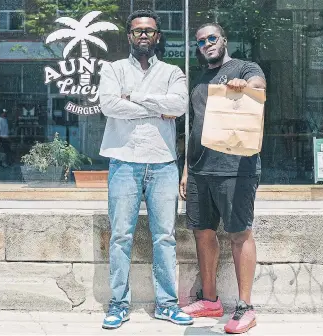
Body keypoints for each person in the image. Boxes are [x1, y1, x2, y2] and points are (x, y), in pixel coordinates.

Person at [98, 9, 193, 330]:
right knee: (121, 236)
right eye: (137, 31)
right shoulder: (112, 69)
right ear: (129, 36)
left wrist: (135, 98)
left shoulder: (172, 71)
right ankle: (118, 303)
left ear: (157, 37)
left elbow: (178, 106)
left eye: (149, 31)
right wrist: (156, 108)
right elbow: (109, 105)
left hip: (163, 162)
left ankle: (167, 304)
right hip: (123, 161)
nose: (143, 35)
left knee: (165, 237)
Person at [180, 23, 266, 334]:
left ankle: (245, 307)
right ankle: (210, 300)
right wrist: (187, 170)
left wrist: (248, 87)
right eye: (201, 41)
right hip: (201, 170)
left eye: (211, 38)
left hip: (236, 168)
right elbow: (194, 129)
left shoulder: (245, 67)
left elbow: (259, 87)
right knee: (202, 232)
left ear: (223, 40)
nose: (206, 44)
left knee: (240, 233)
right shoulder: (199, 80)